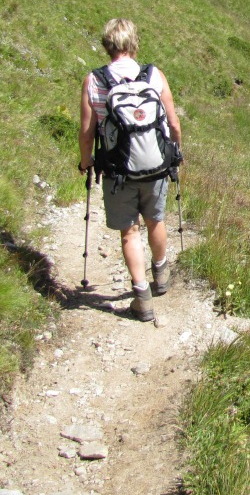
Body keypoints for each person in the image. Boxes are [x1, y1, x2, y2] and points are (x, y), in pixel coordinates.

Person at [78, 18, 182, 321]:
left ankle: (141, 298)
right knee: (155, 219)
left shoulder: (94, 81)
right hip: (155, 165)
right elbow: (173, 122)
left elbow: (87, 131)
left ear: (107, 45)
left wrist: (86, 160)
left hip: (118, 170)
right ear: (134, 42)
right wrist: (176, 151)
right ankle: (161, 273)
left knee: (129, 232)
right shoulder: (153, 75)